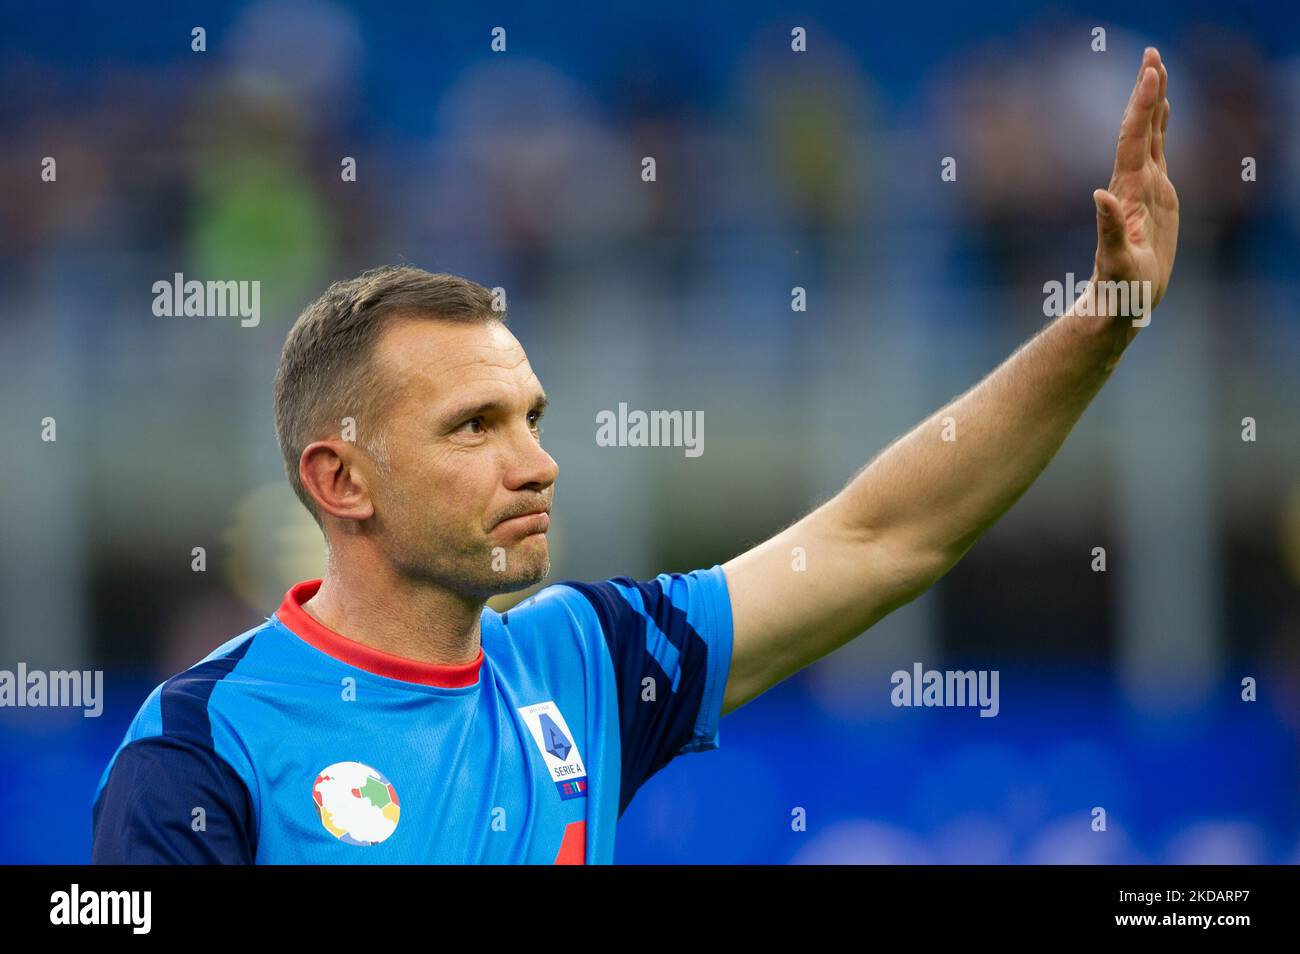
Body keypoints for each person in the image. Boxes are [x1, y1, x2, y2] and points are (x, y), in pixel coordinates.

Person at [92, 48, 1177, 863]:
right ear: (340, 480)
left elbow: (884, 536)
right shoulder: (199, 746)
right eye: (475, 426)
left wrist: (1103, 321)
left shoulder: (585, 662)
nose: (537, 463)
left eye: (533, 417)